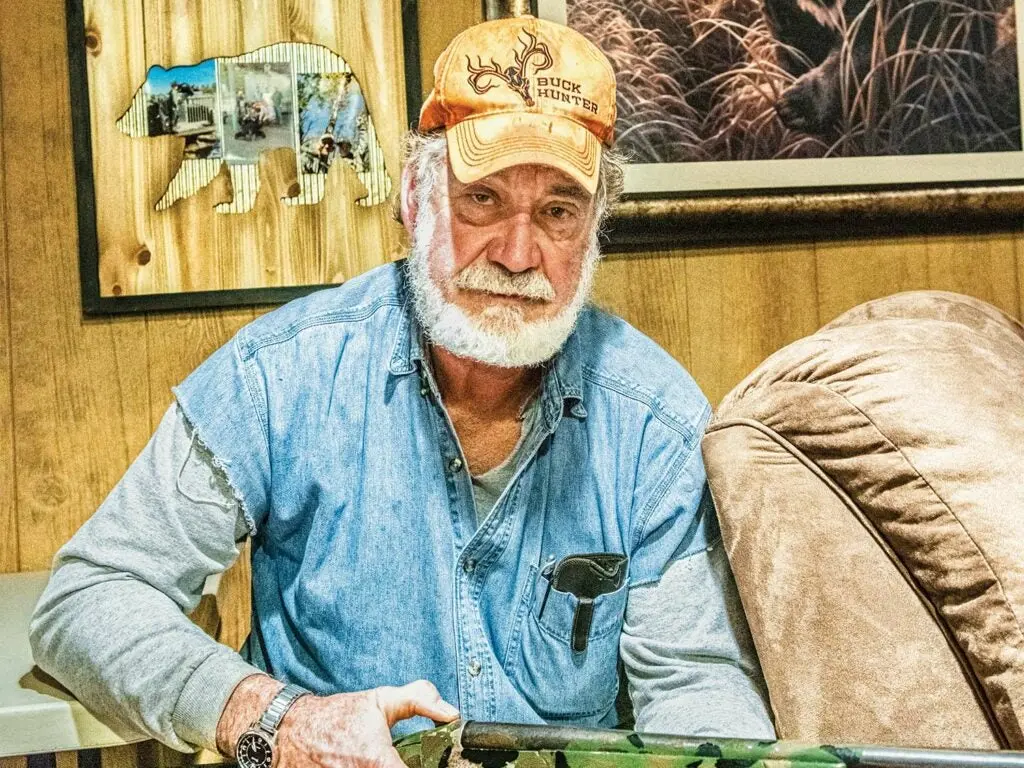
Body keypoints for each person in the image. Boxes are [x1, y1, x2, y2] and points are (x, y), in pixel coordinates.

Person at [30, 14, 774, 768]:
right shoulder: (280, 377)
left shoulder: (655, 418)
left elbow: (698, 679)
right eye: (481, 198)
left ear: (594, 227)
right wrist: (279, 723)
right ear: (414, 202)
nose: (519, 255)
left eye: (557, 211)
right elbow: (90, 598)